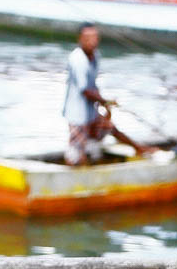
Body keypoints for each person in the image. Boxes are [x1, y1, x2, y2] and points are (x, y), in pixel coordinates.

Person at [62, 24, 147, 166]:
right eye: (87, 38)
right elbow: (85, 90)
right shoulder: (77, 59)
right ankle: (75, 171)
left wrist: (105, 104)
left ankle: (140, 149)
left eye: (94, 38)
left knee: (110, 127)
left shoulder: (96, 56)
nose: (92, 41)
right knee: (76, 153)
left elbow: (93, 85)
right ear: (80, 39)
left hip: (90, 111)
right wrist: (105, 101)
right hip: (77, 114)